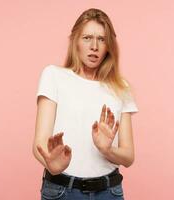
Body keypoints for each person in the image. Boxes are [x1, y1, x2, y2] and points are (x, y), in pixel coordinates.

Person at [33, 8, 139, 200]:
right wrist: (51, 165)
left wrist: (107, 149)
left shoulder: (121, 87)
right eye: (87, 38)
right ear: (75, 41)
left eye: (102, 39)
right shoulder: (54, 76)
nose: (94, 46)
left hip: (108, 192)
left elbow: (129, 156)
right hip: (61, 191)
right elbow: (39, 143)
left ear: (109, 46)